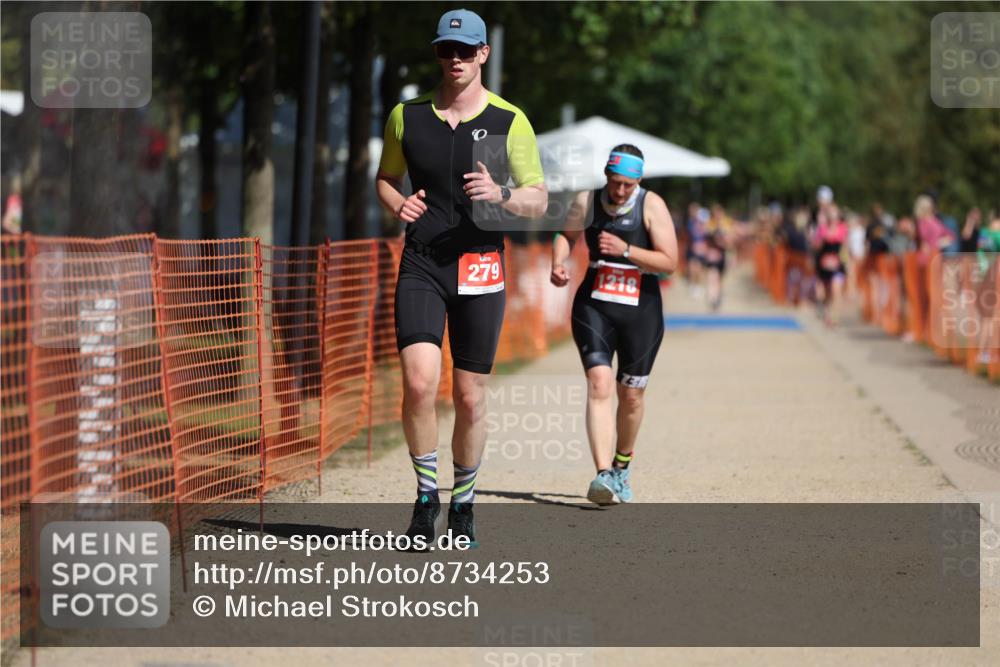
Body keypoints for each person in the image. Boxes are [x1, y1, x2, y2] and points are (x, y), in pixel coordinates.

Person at [375, 9, 547, 546]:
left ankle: (465, 503)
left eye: (466, 50)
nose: (455, 60)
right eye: (446, 51)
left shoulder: (508, 120)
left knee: (469, 397)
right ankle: (427, 501)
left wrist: (500, 194)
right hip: (423, 263)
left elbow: (538, 198)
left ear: (483, 55)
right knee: (420, 383)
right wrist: (397, 204)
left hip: (480, 264)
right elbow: (385, 179)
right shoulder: (407, 116)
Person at [550, 145, 678, 504]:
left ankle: (622, 466)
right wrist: (558, 261)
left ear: (639, 180)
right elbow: (565, 235)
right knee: (599, 381)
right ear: (606, 175)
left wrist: (625, 250)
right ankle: (603, 475)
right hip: (595, 305)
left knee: (632, 396)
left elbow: (670, 262)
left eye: (628, 184)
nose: (620, 191)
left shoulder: (651, 205)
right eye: (615, 182)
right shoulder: (586, 201)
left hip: (642, 311)